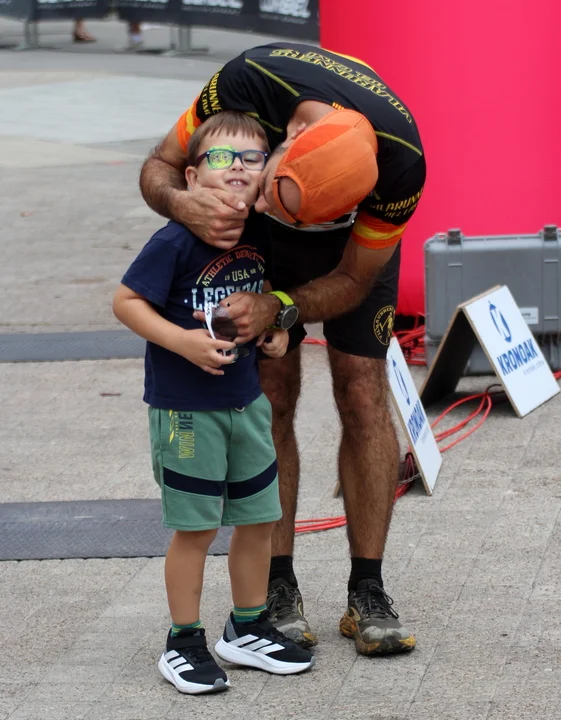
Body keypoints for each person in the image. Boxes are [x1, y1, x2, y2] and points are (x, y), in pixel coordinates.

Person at [139, 42, 426, 657]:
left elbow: (354, 280)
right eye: (270, 190)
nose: (262, 201)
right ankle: (276, 586)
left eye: (286, 206)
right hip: (258, 245)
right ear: (289, 136)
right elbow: (161, 166)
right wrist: (183, 204)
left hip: (349, 256)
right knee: (270, 391)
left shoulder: (402, 163)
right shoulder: (249, 81)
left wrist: (283, 306)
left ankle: (368, 590)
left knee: (362, 391)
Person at [113, 111, 315, 695]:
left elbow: (268, 296)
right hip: (186, 412)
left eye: (253, 158)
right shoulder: (174, 240)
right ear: (193, 176)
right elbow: (126, 302)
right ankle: (183, 641)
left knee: (259, 519)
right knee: (196, 528)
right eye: (221, 158)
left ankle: (246, 627)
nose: (238, 169)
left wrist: (276, 330)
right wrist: (181, 342)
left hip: (246, 404)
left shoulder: (260, 235)